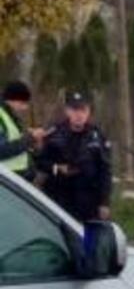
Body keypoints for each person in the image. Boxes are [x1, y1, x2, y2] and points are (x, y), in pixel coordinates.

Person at [35, 91, 112, 222]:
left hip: (88, 200)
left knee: (88, 238)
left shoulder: (97, 135)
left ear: (88, 112)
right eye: (75, 110)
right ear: (67, 111)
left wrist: (104, 202)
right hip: (59, 197)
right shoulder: (54, 133)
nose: (79, 115)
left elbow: (105, 171)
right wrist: (56, 168)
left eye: (83, 110)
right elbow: (41, 162)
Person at [0, 80, 46, 179]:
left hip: (13, 181)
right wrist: (29, 139)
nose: (25, 108)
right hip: (7, 182)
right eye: (23, 103)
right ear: (13, 99)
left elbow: (11, 140)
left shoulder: (9, 114)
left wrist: (31, 140)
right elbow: (2, 150)